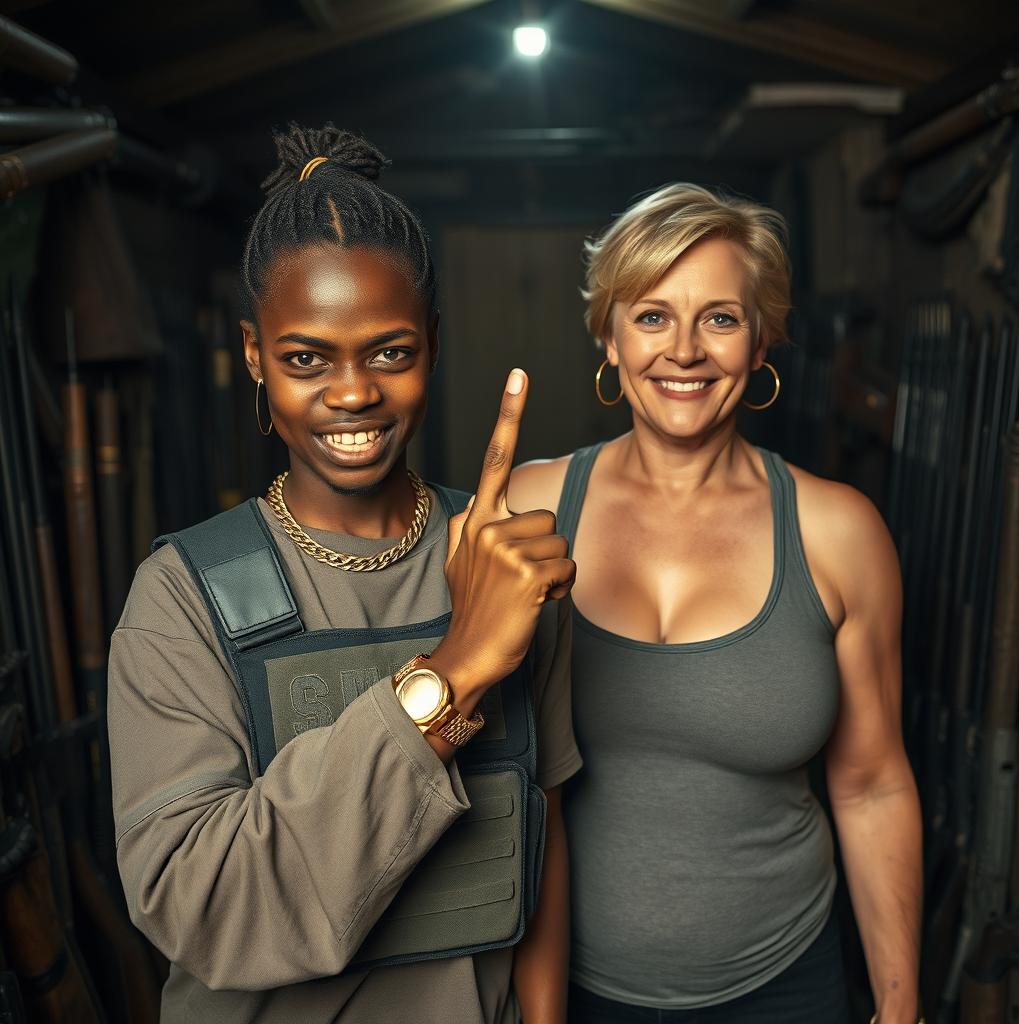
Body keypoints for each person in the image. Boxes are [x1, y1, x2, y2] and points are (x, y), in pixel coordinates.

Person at [108, 123, 580, 1024]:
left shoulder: (503, 560)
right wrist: (454, 671)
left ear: (432, 344)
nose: (355, 391)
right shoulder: (181, 600)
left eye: (390, 352)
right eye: (305, 359)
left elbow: (548, 838)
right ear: (255, 356)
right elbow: (205, 908)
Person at [509, 183, 923, 1024]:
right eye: (652, 316)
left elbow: (873, 784)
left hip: (786, 985)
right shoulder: (529, 509)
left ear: (762, 340)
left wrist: (900, 999)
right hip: (572, 992)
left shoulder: (838, 533)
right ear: (610, 336)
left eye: (721, 319)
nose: (685, 351)